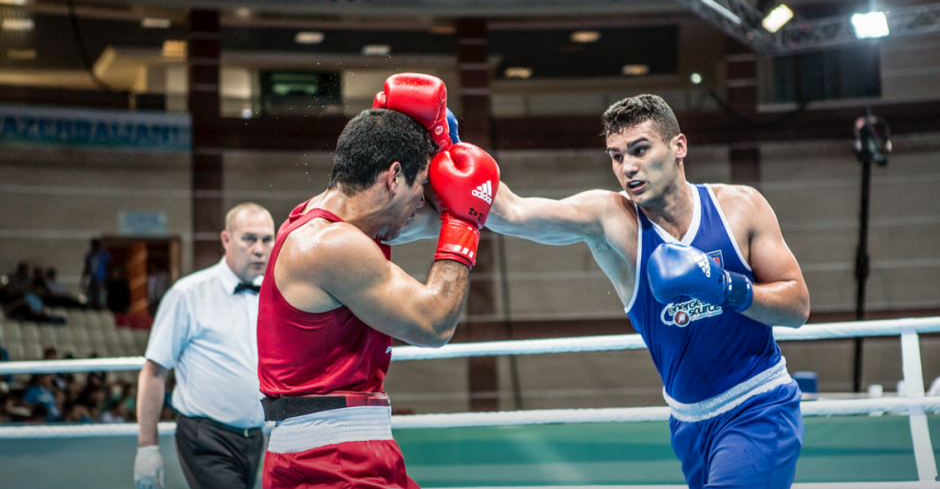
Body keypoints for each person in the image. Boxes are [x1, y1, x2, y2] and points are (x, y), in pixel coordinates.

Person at [482, 94, 811, 489]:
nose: (628, 168)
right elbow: (512, 212)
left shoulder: (740, 207)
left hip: (759, 405)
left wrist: (726, 288)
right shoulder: (611, 220)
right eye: (617, 156)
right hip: (689, 423)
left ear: (678, 147)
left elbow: (797, 306)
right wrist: (446, 150)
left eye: (639, 150)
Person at [256, 73, 500, 488]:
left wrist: (446, 150)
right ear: (392, 177)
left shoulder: (323, 220)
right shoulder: (332, 246)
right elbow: (434, 324)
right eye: (420, 186)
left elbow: (451, 207)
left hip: (340, 449)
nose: (421, 201)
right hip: (331, 459)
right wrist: (464, 225)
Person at [134, 203, 276, 489]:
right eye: (249, 238)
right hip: (205, 437)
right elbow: (154, 372)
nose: (259, 249)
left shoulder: (275, 295)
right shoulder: (187, 294)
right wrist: (146, 448)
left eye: (266, 239)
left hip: (257, 436)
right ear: (226, 239)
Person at [82, 239, 111, 309]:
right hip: (92, 279)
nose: (94, 247)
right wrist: (83, 278)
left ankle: (101, 306)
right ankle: (91, 305)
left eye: (96, 245)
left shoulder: (103, 254)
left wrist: (107, 278)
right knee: (91, 294)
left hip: (101, 278)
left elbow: (108, 266)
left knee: (101, 294)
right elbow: (87, 267)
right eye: (93, 245)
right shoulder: (90, 255)